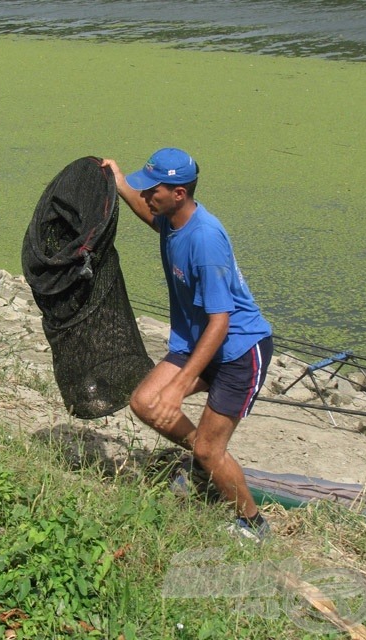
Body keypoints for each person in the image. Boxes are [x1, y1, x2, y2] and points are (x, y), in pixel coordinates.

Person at [102, 148, 273, 542]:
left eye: (152, 191)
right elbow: (150, 217)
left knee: (210, 449)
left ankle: (252, 524)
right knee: (145, 402)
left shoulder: (207, 240)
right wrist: (122, 185)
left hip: (238, 351)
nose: (147, 197)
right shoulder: (172, 220)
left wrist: (180, 387)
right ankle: (205, 466)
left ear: (179, 193)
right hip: (196, 340)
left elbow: (221, 321)